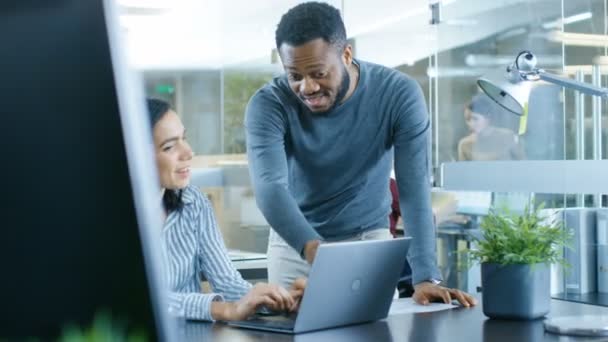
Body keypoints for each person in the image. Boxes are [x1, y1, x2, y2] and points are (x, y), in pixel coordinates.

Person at [245, 2, 476, 307]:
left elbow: (414, 187)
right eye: (294, 76)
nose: (307, 87)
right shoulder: (268, 104)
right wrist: (314, 250)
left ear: (346, 54)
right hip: (295, 246)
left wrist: (425, 276)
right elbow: (270, 187)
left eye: (318, 73)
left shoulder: (398, 94)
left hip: (367, 242)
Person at [146, 98, 306, 321]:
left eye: (184, 139)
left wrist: (274, 300)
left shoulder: (195, 203)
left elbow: (227, 282)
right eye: (170, 147)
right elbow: (137, 300)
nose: (188, 153)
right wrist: (224, 309)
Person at [458, 93, 525, 161]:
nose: (471, 124)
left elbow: (521, 163)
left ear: (488, 118)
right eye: (467, 119)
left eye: (475, 119)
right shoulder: (465, 145)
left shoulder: (507, 137)